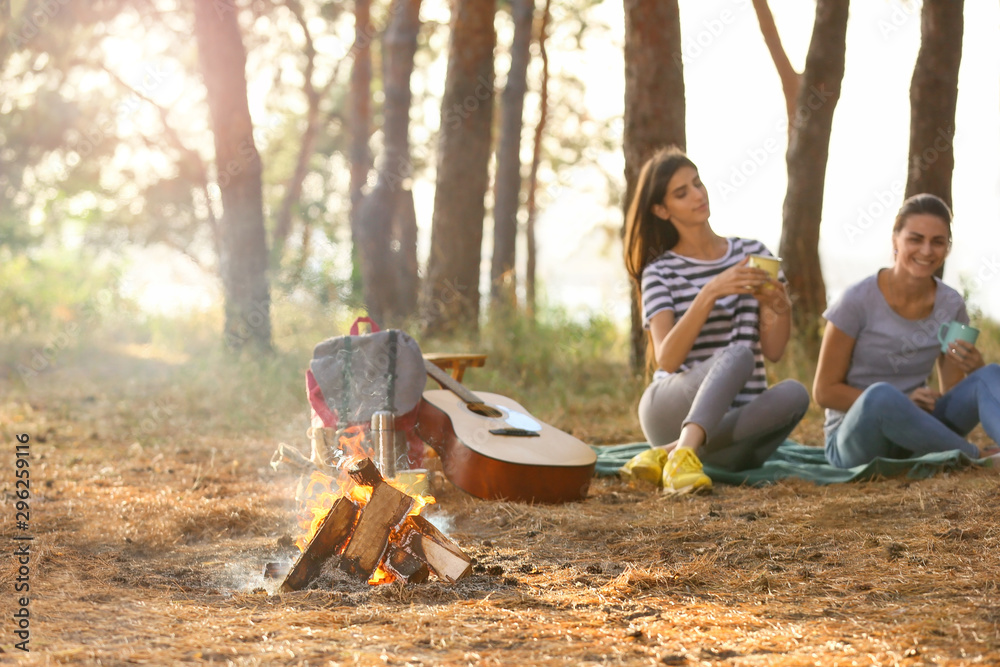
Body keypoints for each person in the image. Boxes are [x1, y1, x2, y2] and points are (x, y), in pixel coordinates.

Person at [621, 146, 810, 494]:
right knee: (737, 354)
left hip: (734, 417)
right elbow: (667, 358)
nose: (698, 195)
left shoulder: (753, 254)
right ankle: (684, 450)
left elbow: (774, 350)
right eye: (682, 193)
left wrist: (778, 306)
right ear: (662, 210)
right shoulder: (659, 271)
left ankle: (673, 454)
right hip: (671, 406)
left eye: (697, 183)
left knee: (795, 394)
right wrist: (710, 293)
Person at [814, 193, 1000, 468]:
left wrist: (974, 369)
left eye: (937, 242)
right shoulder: (855, 300)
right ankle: (975, 459)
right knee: (881, 395)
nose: (926, 251)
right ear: (895, 240)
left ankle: (957, 450)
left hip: (919, 431)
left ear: (947, 248)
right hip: (855, 441)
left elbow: (952, 391)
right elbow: (824, 392)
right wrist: (901, 401)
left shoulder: (951, 304)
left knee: (991, 374)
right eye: (916, 239)